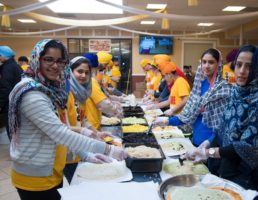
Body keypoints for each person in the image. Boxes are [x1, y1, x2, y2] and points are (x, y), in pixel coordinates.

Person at [8, 39, 127, 200]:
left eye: (60, 61)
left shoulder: (52, 89)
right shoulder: (31, 94)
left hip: (52, 170)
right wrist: (108, 150)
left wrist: (85, 155)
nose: (55, 66)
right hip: (35, 175)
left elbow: (61, 131)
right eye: (48, 59)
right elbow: (61, 133)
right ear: (37, 59)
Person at [185, 45, 258, 199]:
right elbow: (223, 127)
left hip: (246, 172)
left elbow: (247, 147)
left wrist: (209, 153)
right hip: (227, 164)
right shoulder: (236, 91)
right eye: (239, 64)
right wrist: (208, 143)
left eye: (249, 66)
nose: (241, 71)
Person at [154, 48, 231, 148]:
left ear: (218, 65)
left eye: (211, 62)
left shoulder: (223, 88)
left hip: (214, 144)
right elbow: (188, 114)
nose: (206, 66)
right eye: (204, 62)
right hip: (197, 138)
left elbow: (224, 124)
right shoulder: (199, 86)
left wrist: (210, 141)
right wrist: (166, 121)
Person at [0, 46, 22, 140]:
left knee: (12, 132)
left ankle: (16, 153)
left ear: (4, 56)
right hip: (18, 102)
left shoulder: (7, 68)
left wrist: (0, 104)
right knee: (17, 130)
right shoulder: (16, 66)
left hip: (9, 104)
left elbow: (5, 88)